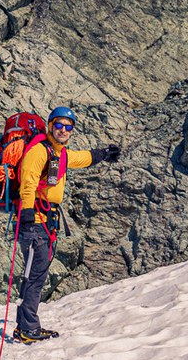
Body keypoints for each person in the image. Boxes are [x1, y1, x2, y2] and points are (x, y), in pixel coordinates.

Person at [12, 105, 120, 344]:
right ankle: (27, 329)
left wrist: (102, 154)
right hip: (35, 221)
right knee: (35, 275)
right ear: (50, 125)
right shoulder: (39, 151)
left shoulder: (58, 153)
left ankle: (25, 326)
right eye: (59, 125)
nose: (63, 130)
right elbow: (27, 183)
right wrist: (28, 214)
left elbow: (80, 158)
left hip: (45, 221)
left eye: (68, 127)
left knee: (36, 274)